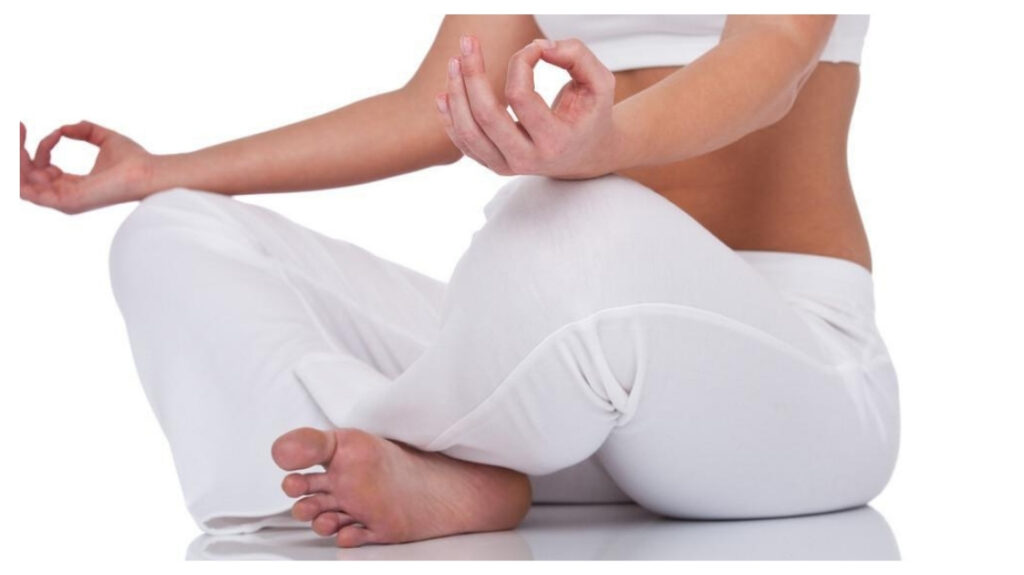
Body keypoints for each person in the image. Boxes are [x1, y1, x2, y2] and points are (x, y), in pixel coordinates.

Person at [18, 14, 900, 548]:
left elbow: (778, 58)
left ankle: (436, 451)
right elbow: (424, 108)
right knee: (175, 232)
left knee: (569, 218)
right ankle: (455, 463)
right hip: (559, 381)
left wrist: (606, 147)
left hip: (785, 383)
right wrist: (159, 170)